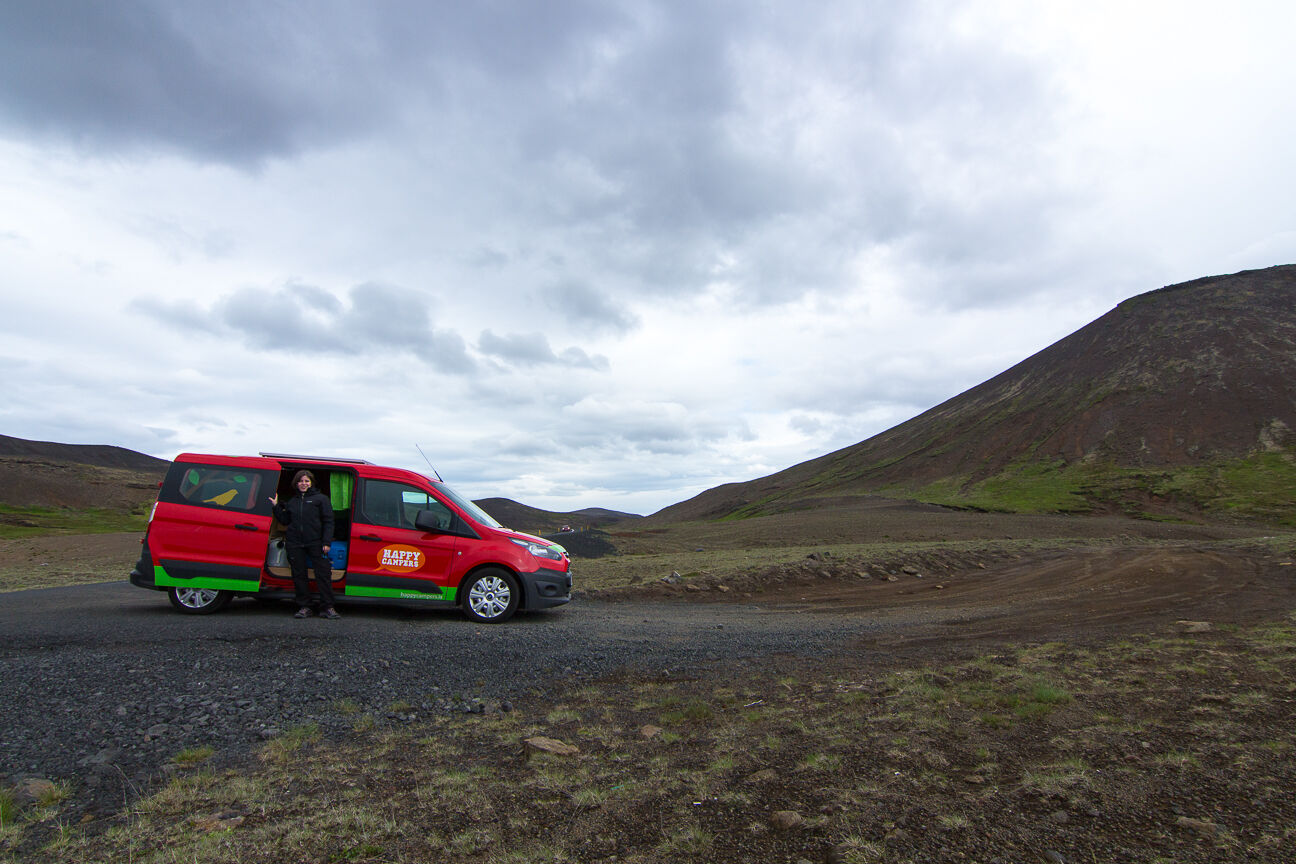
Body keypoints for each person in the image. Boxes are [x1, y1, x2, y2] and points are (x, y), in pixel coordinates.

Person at [270, 469, 340, 619]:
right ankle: (304, 607)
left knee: (323, 574)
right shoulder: (292, 501)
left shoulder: (321, 499)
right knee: (299, 575)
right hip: (295, 543)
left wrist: (326, 542)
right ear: (296, 483)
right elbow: (285, 520)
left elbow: (329, 522)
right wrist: (276, 506)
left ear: (311, 483)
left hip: (316, 542)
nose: (303, 484)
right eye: (300, 481)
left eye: (306, 481)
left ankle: (327, 607)